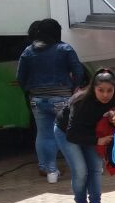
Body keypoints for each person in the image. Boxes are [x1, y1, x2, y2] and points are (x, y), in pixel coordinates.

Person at [17, 19, 85, 183]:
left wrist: (30, 90)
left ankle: (50, 171)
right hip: (61, 97)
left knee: (44, 134)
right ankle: (78, 168)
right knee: (69, 133)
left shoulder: (28, 51)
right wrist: (75, 87)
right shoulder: (64, 48)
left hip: (37, 99)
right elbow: (78, 70)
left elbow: (20, 77)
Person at [54, 69, 115, 203]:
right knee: (80, 170)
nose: (105, 94)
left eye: (109, 90)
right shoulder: (80, 101)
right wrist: (98, 141)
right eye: (101, 90)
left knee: (96, 168)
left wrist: (113, 119)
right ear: (93, 88)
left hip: (91, 134)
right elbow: (72, 134)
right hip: (66, 133)